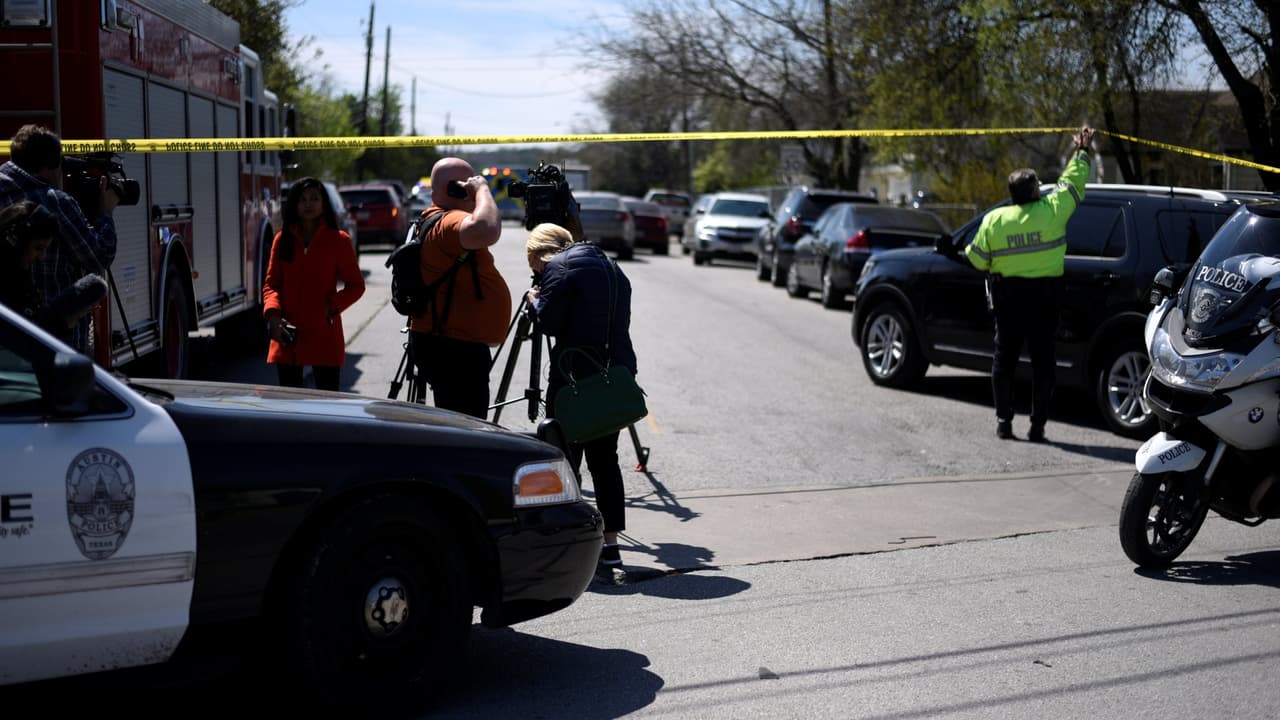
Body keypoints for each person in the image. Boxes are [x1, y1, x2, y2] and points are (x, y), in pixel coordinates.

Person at [965, 125, 1094, 442]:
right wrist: (1082, 150)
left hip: (1008, 299)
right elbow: (1072, 181)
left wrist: (999, 263)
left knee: (1004, 361)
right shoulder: (1052, 210)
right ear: (1035, 190)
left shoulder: (995, 220)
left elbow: (977, 259)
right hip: (1044, 299)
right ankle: (1038, 426)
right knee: (1043, 364)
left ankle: (1004, 422)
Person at [525, 223, 638, 569]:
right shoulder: (613, 267)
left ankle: (566, 543)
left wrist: (535, 301)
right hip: (613, 377)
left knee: (564, 460)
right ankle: (610, 547)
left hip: (574, 380)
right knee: (605, 462)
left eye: (535, 265)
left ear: (541, 253)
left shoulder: (559, 268)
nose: (537, 271)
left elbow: (549, 323)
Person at [0, 124, 118, 354]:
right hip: (56, 341)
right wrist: (105, 212)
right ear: (51, 166)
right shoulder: (54, 201)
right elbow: (99, 257)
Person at [409, 157, 510, 418]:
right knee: (467, 428)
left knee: (453, 419)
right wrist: (483, 189)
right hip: (454, 348)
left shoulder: (433, 219)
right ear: (459, 190)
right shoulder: (451, 221)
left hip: (445, 342)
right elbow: (487, 229)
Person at [263, 177, 365, 391]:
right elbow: (271, 285)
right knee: (289, 406)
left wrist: (331, 306)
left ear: (323, 203)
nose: (308, 204)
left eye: (314, 199)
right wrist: (273, 316)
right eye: (302, 200)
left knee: (327, 405)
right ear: (294, 204)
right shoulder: (282, 240)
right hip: (288, 334)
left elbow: (356, 286)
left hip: (324, 335)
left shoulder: (339, 240)